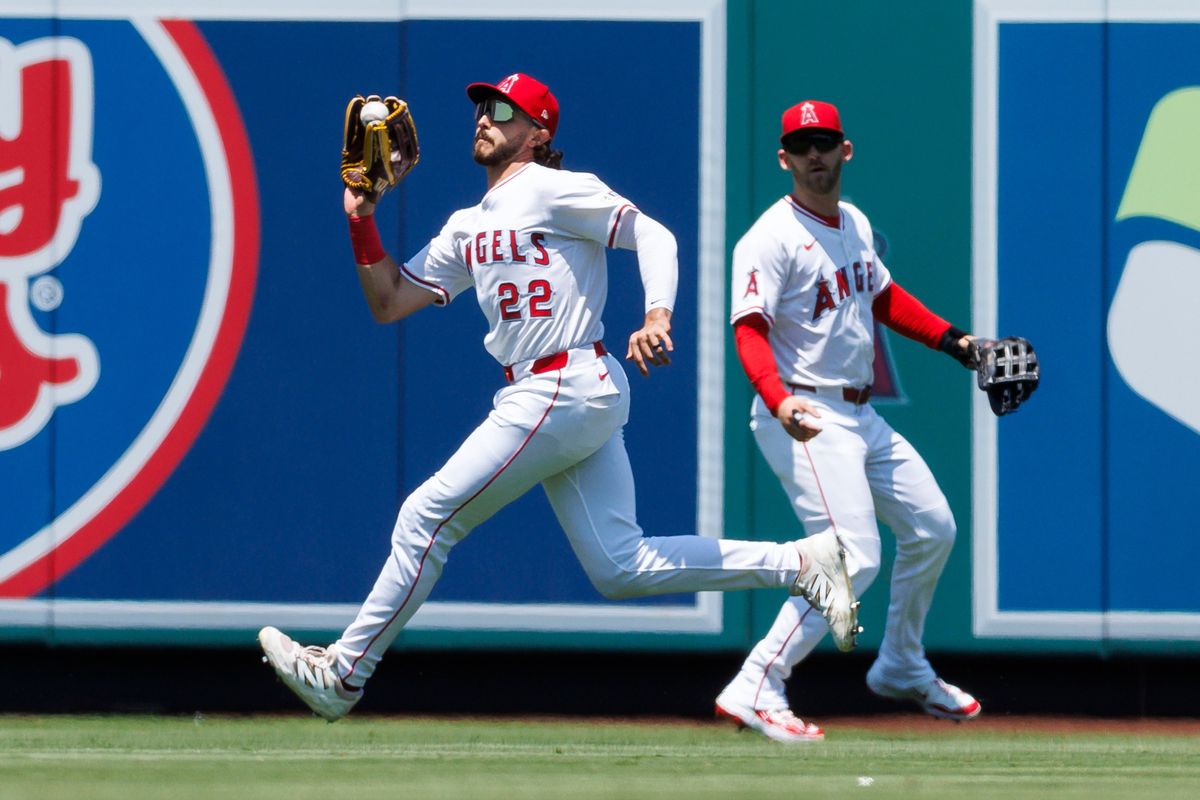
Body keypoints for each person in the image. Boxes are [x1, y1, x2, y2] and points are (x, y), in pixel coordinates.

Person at [258, 74, 858, 721]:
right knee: (620, 566)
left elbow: (656, 236)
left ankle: (344, 673)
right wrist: (363, 218)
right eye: (481, 108)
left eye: (502, 110)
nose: (484, 118)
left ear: (538, 131)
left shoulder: (555, 188)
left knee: (425, 518)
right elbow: (389, 300)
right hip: (561, 390)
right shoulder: (468, 224)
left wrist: (657, 314)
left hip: (562, 380)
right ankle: (801, 561)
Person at [714, 100, 982, 743]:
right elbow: (748, 329)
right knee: (851, 556)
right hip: (802, 408)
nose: (814, 154)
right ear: (784, 157)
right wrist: (778, 400)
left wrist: (955, 341)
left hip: (859, 412)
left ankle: (900, 663)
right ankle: (757, 681)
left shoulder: (853, 222)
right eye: (802, 145)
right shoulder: (769, 236)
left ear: (845, 150)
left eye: (824, 142)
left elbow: (882, 295)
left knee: (932, 527)